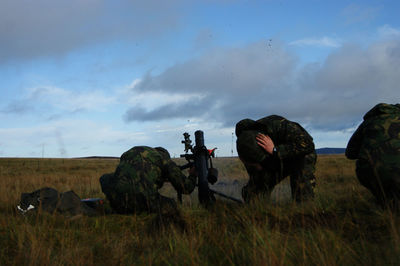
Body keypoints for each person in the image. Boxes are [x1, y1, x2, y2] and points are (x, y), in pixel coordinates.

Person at [236, 115, 316, 203]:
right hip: (271, 159)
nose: (258, 167)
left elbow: (308, 144)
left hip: (295, 156)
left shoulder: (279, 125)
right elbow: (255, 171)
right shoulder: (245, 143)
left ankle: (304, 202)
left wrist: (275, 150)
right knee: (253, 197)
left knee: (304, 160)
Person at [100, 146, 197, 214]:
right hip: (145, 203)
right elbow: (187, 188)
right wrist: (193, 175)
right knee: (171, 204)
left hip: (116, 202)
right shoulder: (164, 160)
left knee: (106, 178)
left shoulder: (130, 153)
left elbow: (103, 179)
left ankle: (112, 204)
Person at [345, 103, 400, 210]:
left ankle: (386, 205)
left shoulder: (368, 122)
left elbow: (350, 153)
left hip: (368, 172)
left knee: (387, 199)